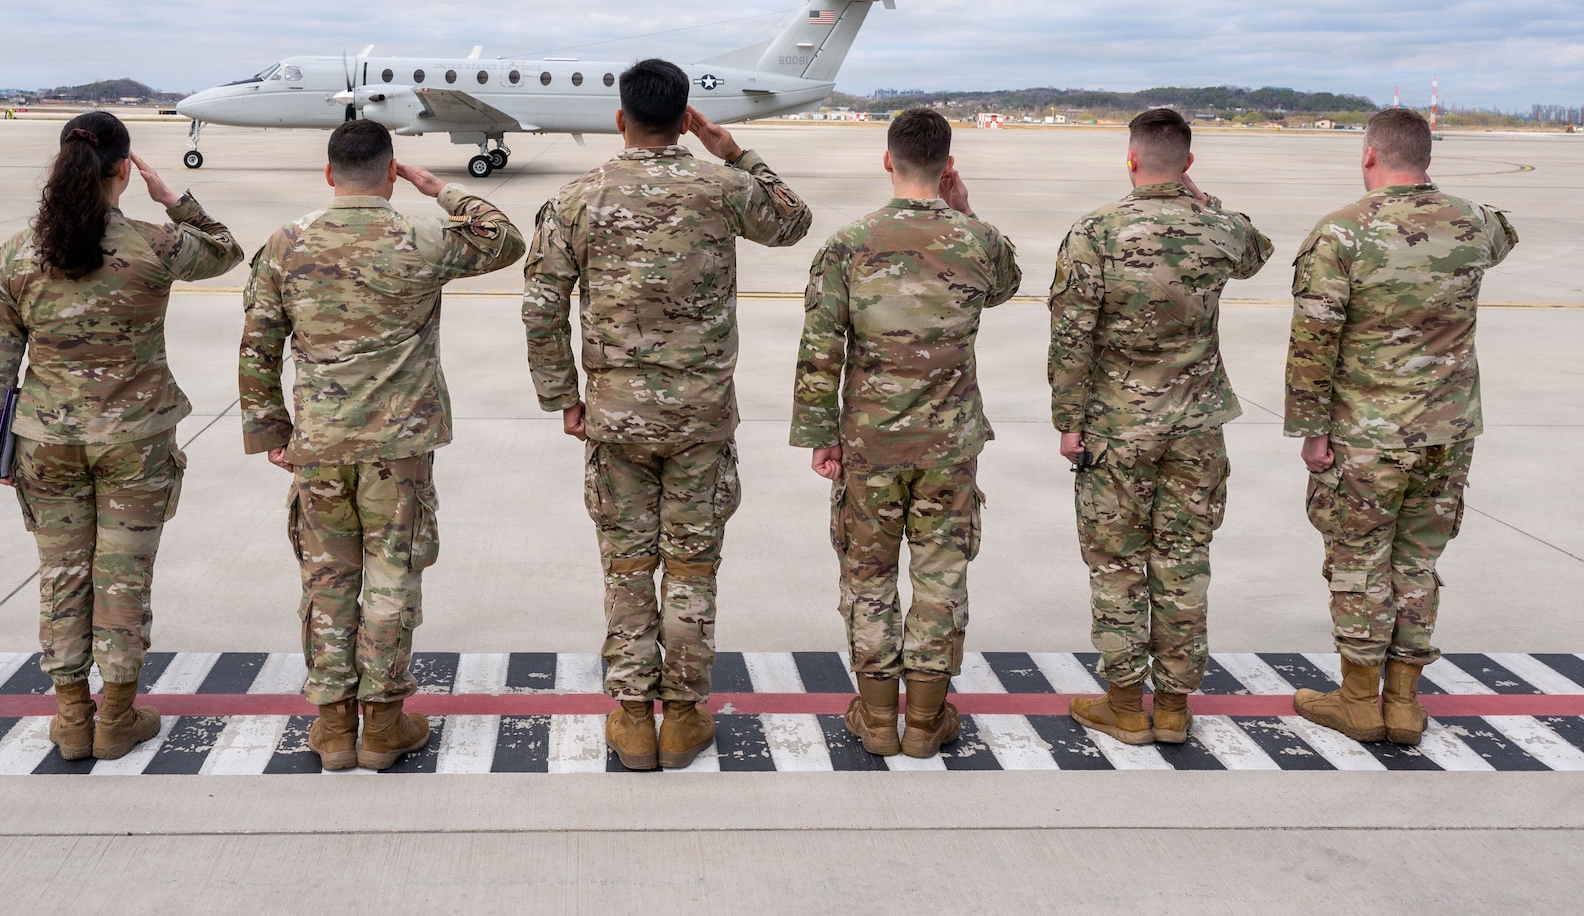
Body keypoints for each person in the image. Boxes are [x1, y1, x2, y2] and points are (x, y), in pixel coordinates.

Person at [523, 59, 813, 770]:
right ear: (686, 118)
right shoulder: (721, 187)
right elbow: (794, 221)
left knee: (627, 565)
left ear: (619, 120)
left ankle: (630, 716)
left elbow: (540, 306)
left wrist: (562, 395)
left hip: (615, 420)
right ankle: (682, 716)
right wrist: (736, 150)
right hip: (701, 420)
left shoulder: (579, 197)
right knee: (691, 565)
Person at [241, 119, 524, 771]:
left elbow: (258, 347)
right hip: (398, 449)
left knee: (328, 583)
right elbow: (504, 239)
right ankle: (385, 725)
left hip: (318, 445)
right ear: (392, 173)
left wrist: (272, 432)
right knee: (392, 579)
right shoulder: (420, 236)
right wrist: (444, 189)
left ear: (328, 173)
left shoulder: (286, 245)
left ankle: (334, 727)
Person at [0, 111, 242, 761]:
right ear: (123, 169)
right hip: (136, 441)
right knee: (122, 577)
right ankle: (117, 714)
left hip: (46, 443)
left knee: (63, 573)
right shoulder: (156, 243)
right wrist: (177, 201)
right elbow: (227, 251)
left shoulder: (18, 253)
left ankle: (71, 717)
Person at [790, 108, 1019, 758]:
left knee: (869, 575)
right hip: (950, 444)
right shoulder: (978, 242)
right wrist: (966, 212)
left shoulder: (849, 242)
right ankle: (926, 720)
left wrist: (819, 433)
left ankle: (880, 716)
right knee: (941, 574)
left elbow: (819, 347)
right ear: (948, 165)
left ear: (887, 159)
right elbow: (1005, 285)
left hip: (872, 442)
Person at [1288, 106, 1516, 744]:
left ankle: (1360, 702)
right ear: (1427, 158)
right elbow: (1505, 231)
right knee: (1418, 561)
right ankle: (1406, 706)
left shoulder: (1341, 233)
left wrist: (1311, 428)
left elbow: (1313, 340)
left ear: (1368, 155)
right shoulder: (1471, 222)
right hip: (1447, 432)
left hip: (1368, 434)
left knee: (1360, 559)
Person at [1047, 108, 1272, 746]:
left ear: (1131, 158)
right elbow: (1257, 252)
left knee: (1117, 563)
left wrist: (1069, 420)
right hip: (1196, 427)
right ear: (1190, 164)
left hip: (1117, 427)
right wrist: (1207, 201)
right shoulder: (1216, 227)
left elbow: (1071, 336)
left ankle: (1124, 705)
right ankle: (1172, 708)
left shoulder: (1097, 231)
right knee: (1184, 559)